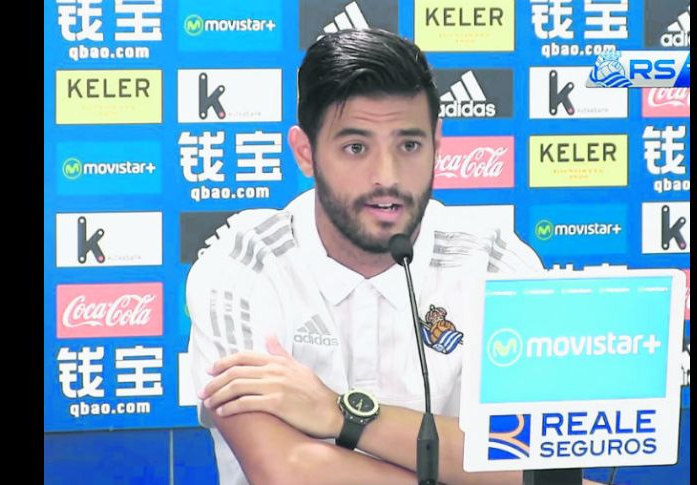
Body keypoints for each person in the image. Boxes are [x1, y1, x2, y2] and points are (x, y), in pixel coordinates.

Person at [187, 28, 546, 485]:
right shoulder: (244, 268)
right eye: (355, 148)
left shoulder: (496, 264)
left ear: (437, 142)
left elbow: (533, 462)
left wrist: (340, 413)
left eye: (409, 145)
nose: (387, 177)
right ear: (305, 153)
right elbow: (288, 470)